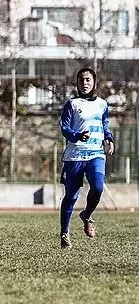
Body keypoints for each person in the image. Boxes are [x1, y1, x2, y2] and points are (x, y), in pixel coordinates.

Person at [59, 67, 114, 249]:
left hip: (95, 154)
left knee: (98, 187)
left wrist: (109, 138)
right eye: (82, 80)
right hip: (75, 156)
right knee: (71, 196)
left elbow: (105, 124)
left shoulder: (102, 104)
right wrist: (76, 136)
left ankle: (87, 214)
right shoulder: (72, 104)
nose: (85, 83)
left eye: (88, 80)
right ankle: (65, 233)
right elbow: (65, 128)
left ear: (94, 82)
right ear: (77, 82)